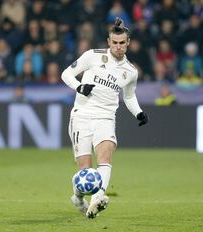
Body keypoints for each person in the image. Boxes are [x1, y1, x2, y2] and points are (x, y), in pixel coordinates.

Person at [61, 18, 148, 219]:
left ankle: (97, 200)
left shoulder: (130, 72)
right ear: (109, 42)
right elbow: (67, 74)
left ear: (128, 43)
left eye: (122, 43)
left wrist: (138, 112)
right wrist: (79, 87)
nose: (118, 46)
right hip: (81, 115)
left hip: (106, 117)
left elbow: (128, 96)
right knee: (85, 170)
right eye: (114, 42)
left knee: (106, 156)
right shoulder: (92, 56)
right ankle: (78, 198)